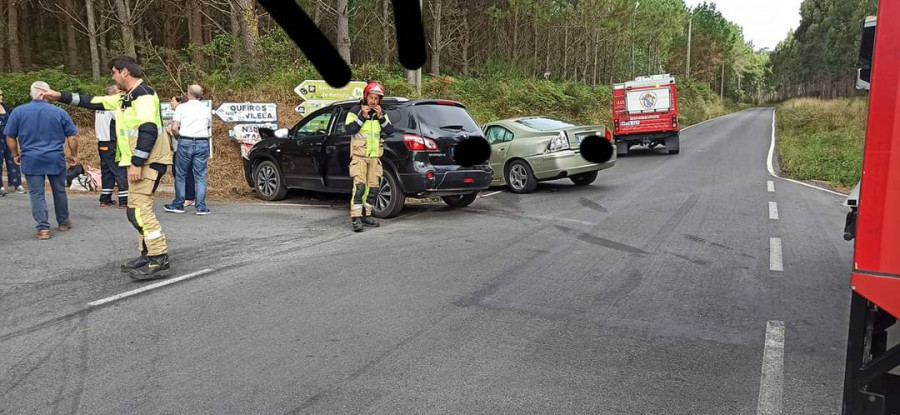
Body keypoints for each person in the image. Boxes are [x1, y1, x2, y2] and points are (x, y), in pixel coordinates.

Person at [40, 56, 174, 280]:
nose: (112, 77)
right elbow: (93, 101)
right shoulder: (126, 98)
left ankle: (159, 258)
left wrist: (136, 163)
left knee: (139, 211)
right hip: (141, 162)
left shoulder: (144, 95)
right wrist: (58, 95)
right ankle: (148, 253)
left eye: (113, 72)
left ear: (124, 72)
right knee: (136, 210)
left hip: (148, 162)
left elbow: (148, 130)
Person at [3, 82, 78, 240]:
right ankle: (63, 222)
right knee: (59, 190)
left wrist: (16, 154)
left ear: (33, 94)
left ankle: (43, 228)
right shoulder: (59, 112)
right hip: (55, 157)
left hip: (31, 158)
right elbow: (72, 136)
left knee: (37, 194)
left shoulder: (19, 112)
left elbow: (10, 136)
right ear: (45, 93)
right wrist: (73, 154)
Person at [344, 81, 394, 232]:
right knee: (359, 188)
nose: (373, 101)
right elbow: (349, 129)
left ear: (380, 100)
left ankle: (367, 215)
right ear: (366, 96)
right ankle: (356, 218)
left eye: (376, 98)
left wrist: (381, 118)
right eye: (371, 97)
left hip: (374, 157)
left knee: (373, 188)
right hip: (359, 157)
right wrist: (363, 116)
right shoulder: (355, 110)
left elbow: (390, 130)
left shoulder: (381, 113)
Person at [164, 84, 211, 215]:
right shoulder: (206, 108)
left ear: (188, 94)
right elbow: (208, 126)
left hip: (185, 140)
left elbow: (174, 127)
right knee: (200, 175)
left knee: (181, 174)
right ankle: (201, 206)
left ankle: (179, 204)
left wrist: (178, 137)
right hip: (202, 141)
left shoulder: (181, 108)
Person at [95, 84, 129, 208]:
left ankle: (105, 198)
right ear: (114, 93)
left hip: (101, 142)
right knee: (119, 170)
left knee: (107, 171)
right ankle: (124, 200)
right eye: (119, 92)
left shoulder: (100, 104)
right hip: (111, 142)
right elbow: (123, 118)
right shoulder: (112, 105)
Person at [0, 88, 25, 196]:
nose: (1, 96)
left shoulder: (6, 107)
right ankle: (0, 187)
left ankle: (17, 184)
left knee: (13, 160)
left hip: (8, 138)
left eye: (2, 94)